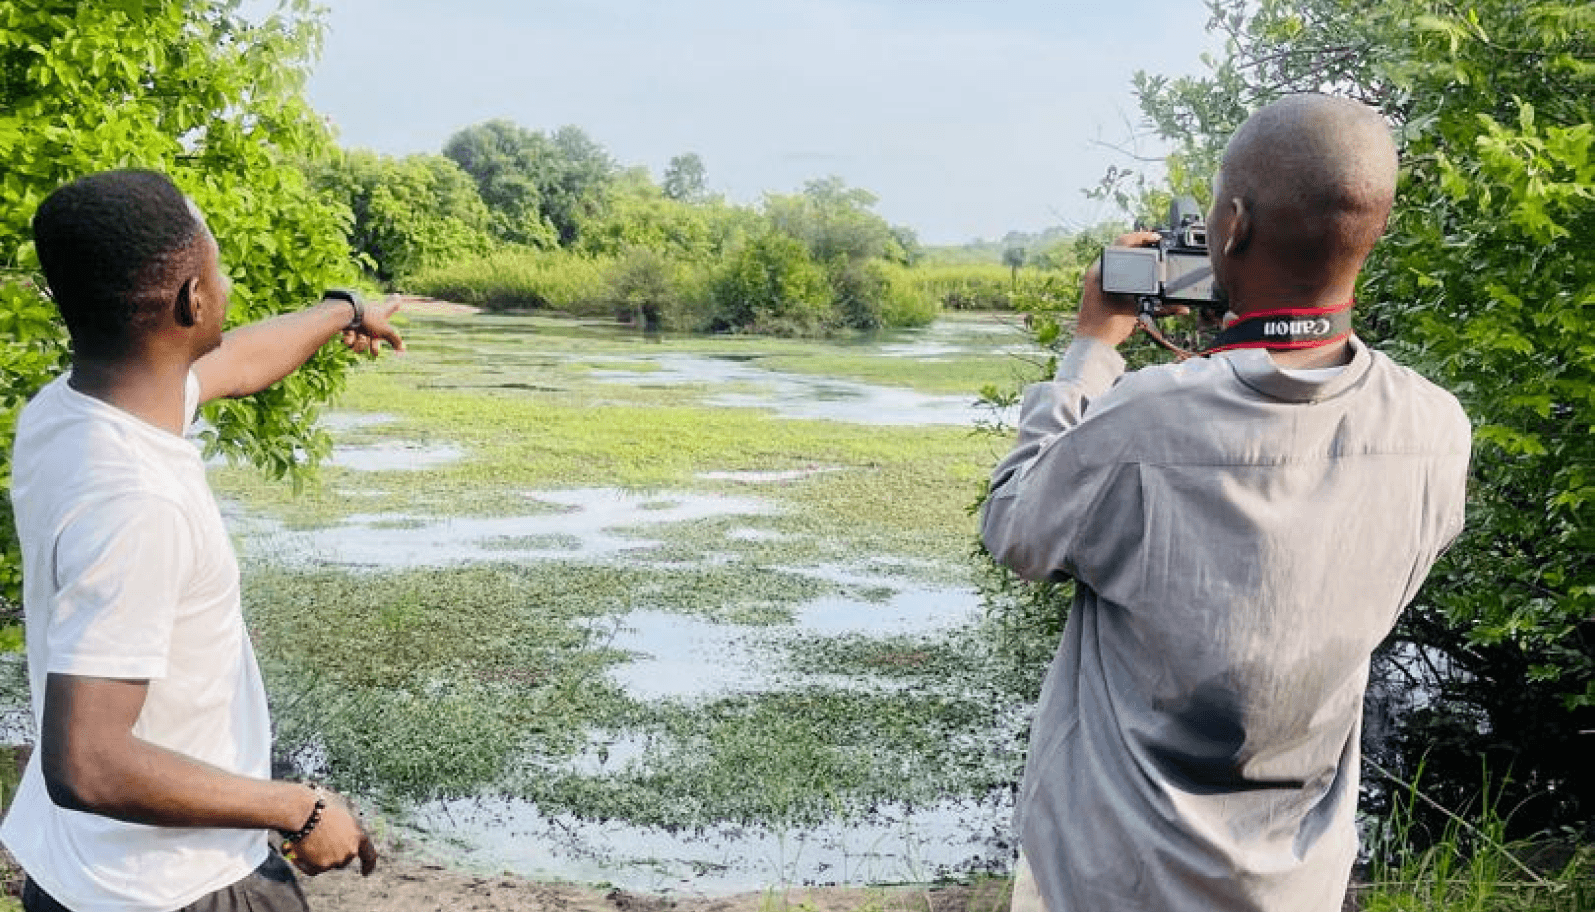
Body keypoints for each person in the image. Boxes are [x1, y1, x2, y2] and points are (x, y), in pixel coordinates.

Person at [981, 94, 1471, 911]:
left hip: (1114, 879)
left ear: (1234, 225)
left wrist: (1090, 354)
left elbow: (1015, 529)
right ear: (1372, 232)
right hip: (1300, 883)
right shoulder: (1434, 428)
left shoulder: (1141, 418)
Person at [1, 169, 404, 912]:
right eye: (214, 268)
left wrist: (341, 310)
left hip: (76, 875)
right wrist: (298, 809)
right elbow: (88, 760)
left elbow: (234, 363)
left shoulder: (67, 414)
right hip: (171, 889)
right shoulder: (136, 500)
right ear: (192, 299)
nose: (223, 286)